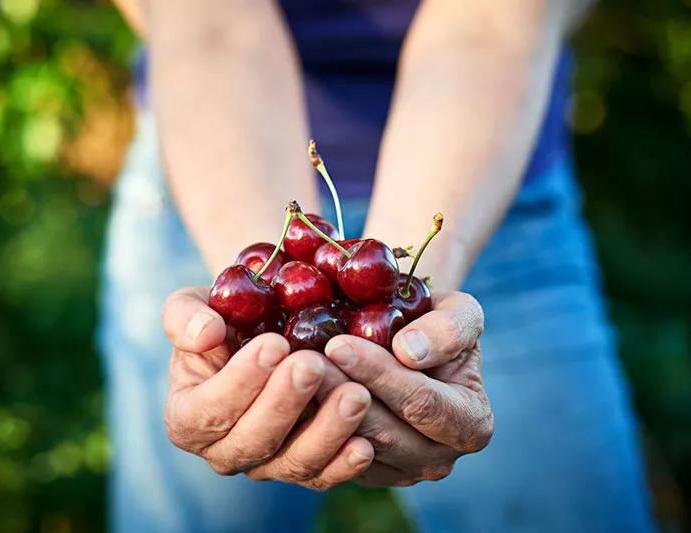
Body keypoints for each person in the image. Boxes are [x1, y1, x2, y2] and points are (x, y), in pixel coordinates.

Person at [99, 0, 656, 531]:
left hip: (487, 176)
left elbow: (487, 23)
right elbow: (209, 26)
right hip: (216, 168)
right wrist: (254, 308)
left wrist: (407, 307)